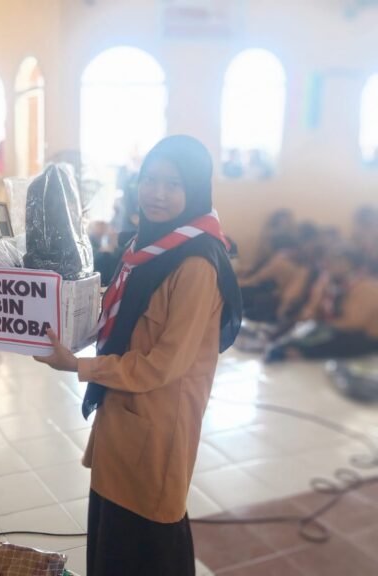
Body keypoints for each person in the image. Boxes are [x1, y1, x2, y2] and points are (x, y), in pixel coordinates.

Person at [35, 135, 241, 576]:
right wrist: (65, 328)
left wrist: (78, 365)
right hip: (123, 414)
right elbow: (118, 316)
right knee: (113, 536)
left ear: (196, 191)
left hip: (158, 425)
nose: (157, 193)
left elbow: (162, 365)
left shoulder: (195, 265)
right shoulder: (148, 250)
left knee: (146, 544)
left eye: (173, 183)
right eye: (150, 179)